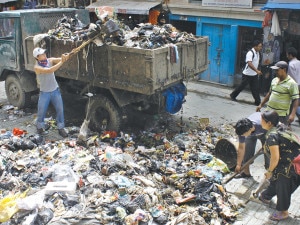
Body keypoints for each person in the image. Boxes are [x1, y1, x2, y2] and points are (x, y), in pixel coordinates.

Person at [259, 110, 300, 221]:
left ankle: (283, 211)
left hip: (291, 165)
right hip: (294, 158)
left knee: (283, 185)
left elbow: (275, 158)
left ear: (268, 123)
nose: (260, 122)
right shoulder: (282, 126)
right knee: (277, 180)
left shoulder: (272, 136)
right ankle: (266, 195)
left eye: (262, 120)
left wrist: (269, 171)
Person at [33, 47, 70, 137]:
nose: (44, 54)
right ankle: (40, 128)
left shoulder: (49, 60)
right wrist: (62, 61)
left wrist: (65, 56)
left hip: (55, 90)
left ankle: (61, 128)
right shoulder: (37, 67)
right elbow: (50, 70)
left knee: (60, 110)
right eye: (42, 54)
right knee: (41, 111)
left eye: (44, 53)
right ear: (37, 57)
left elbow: (59, 59)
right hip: (44, 93)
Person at [256, 61, 299, 126]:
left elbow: (296, 99)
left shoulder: (292, 83)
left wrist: (292, 114)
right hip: (269, 112)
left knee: (279, 133)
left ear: (284, 70)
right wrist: (261, 105)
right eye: (275, 70)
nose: (275, 72)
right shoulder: (274, 80)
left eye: (277, 70)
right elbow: (269, 93)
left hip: (281, 115)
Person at [234, 112, 268, 178]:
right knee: (247, 152)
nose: (242, 137)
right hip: (251, 134)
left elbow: (272, 136)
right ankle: (246, 173)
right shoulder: (242, 130)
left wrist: (266, 145)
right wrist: (238, 164)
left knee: (268, 154)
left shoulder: (262, 125)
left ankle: (270, 176)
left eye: (243, 135)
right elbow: (241, 148)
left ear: (249, 130)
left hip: (266, 133)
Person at [230, 40, 263, 106]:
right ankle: (233, 95)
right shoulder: (250, 53)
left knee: (255, 88)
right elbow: (249, 63)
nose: (261, 48)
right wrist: (256, 71)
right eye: (259, 46)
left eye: (261, 46)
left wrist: (257, 71)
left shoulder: (258, 53)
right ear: (255, 46)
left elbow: (257, 63)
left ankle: (258, 102)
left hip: (254, 75)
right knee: (242, 86)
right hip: (247, 74)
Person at [286, 47, 300, 122]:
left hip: (294, 85)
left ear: (291, 55)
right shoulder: (299, 62)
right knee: (297, 102)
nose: (287, 56)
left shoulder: (291, 64)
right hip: (299, 84)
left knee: (291, 104)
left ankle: (288, 122)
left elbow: (290, 77)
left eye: (287, 55)